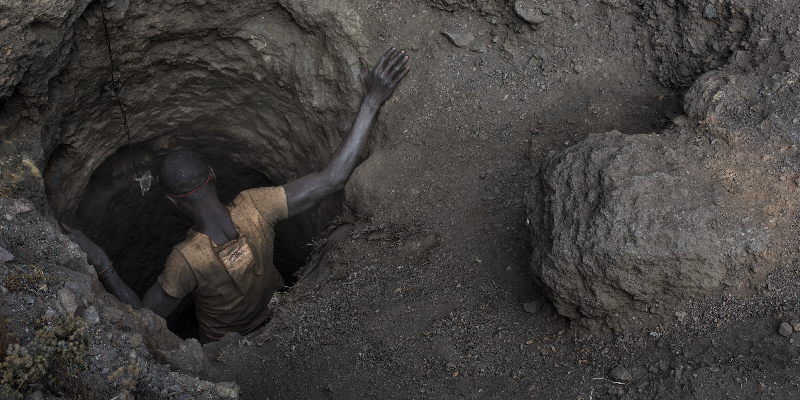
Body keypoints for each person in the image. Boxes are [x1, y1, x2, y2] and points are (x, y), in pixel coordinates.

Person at [62, 47, 410, 342]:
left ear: (171, 201)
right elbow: (332, 179)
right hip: (281, 317)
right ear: (213, 175)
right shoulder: (256, 205)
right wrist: (371, 101)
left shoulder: (185, 261)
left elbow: (143, 317)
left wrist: (102, 263)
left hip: (225, 348)